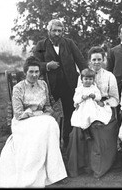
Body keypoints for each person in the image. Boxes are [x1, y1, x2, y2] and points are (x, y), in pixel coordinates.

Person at [0, 56, 67, 187]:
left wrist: (47, 113)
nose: (34, 75)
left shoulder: (43, 85)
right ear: (25, 73)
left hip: (42, 119)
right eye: (31, 72)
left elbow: (47, 106)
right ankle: (35, 171)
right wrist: (36, 114)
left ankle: (55, 173)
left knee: (51, 125)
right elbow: (18, 113)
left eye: (36, 72)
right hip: (23, 121)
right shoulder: (18, 88)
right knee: (47, 125)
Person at [65, 46, 119, 178]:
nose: (96, 62)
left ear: (104, 60)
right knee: (76, 130)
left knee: (97, 127)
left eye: (99, 59)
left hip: (103, 106)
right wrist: (78, 103)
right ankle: (80, 165)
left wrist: (104, 102)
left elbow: (115, 98)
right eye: (94, 59)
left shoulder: (109, 76)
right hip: (85, 106)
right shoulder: (82, 75)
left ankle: (97, 166)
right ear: (89, 60)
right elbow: (78, 94)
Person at [33, 19, 87, 148]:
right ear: (49, 31)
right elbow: (34, 64)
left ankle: (68, 142)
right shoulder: (41, 46)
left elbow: (80, 60)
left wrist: (87, 76)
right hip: (51, 87)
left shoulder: (69, 43)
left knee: (70, 113)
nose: (57, 34)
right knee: (50, 114)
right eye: (54, 31)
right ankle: (51, 144)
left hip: (70, 85)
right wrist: (47, 65)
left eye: (59, 31)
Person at [70, 68, 112, 140]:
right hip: (83, 105)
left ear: (93, 80)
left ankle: (94, 123)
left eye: (90, 79)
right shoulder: (80, 89)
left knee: (95, 113)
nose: (88, 81)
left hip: (93, 104)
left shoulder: (94, 88)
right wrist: (82, 97)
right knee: (84, 116)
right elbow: (75, 99)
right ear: (82, 80)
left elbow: (99, 96)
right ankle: (85, 131)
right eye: (86, 79)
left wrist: (94, 96)